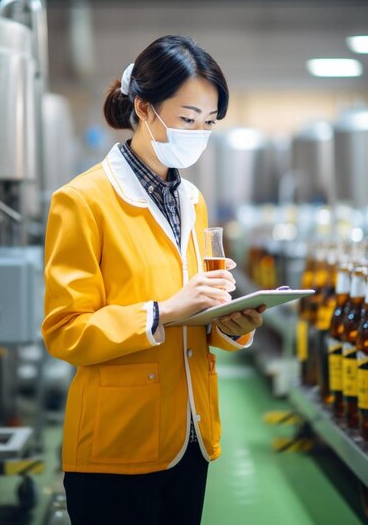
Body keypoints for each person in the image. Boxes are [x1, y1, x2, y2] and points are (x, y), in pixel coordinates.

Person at [42, 35, 265, 525]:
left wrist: (229, 322)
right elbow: (64, 330)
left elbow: (197, 315)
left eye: (209, 123)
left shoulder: (193, 200)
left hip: (192, 437)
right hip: (118, 441)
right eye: (187, 119)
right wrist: (162, 312)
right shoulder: (83, 201)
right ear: (144, 108)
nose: (198, 133)